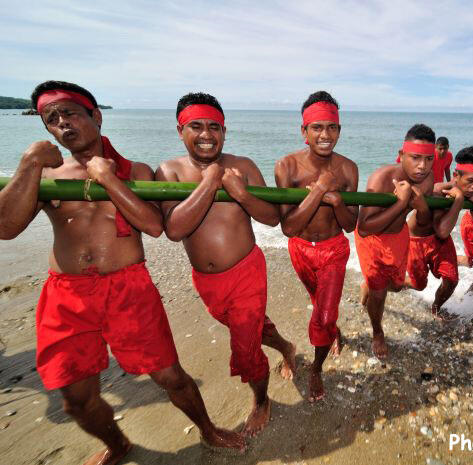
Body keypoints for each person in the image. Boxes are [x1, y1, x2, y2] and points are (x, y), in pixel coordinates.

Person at [0, 81, 246, 465]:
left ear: (95, 117)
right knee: (76, 399)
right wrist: (30, 161)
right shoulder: (46, 174)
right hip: (67, 292)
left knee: (169, 377)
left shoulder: (135, 170)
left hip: (127, 287)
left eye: (71, 113)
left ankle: (208, 429)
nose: (63, 123)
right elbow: (5, 226)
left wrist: (108, 179)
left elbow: (153, 225)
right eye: (52, 118)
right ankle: (118, 444)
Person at [156, 92, 296, 437]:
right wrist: (210, 181)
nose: (206, 134)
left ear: (224, 130)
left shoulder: (244, 166)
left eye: (214, 127)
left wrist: (242, 193)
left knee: (245, 348)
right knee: (249, 329)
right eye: (196, 126)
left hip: (247, 272)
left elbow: (272, 219)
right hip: (206, 281)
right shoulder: (168, 170)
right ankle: (287, 347)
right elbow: (174, 229)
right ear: (180, 130)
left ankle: (262, 401)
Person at [274, 91, 358, 402]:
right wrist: (321, 188)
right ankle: (331, 331)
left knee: (323, 315)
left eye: (332, 127)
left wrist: (336, 201)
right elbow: (289, 227)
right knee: (318, 300)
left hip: (334, 248)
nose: (325, 135)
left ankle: (317, 368)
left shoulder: (348, 169)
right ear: (304, 131)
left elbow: (350, 224)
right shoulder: (287, 166)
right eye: (317, 128)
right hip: (300, 248)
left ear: (339, 130)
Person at [355, 124, 435, 359]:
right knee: (379, 294)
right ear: (401, 155)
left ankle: (368, 284)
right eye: (415, 158)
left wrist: (421, 208)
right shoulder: (382, 179)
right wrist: (401, 203)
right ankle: (378, 332)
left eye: (429, 159)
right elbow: (365, 227)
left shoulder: (427, 180)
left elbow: (425, 221)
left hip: (399, 236)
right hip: (372, 240)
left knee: (396, 286)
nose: (422, 166)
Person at [434, 146, 473, 295]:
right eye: (471, 180)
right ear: (456, 175)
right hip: (420, 241)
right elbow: (442, 232)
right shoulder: (438, 190)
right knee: (412, 284)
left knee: (451, 281)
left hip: (442, 242)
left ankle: (437, 310)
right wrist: (459, 199)